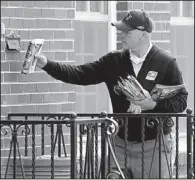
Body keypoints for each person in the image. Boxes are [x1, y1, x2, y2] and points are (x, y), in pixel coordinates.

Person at [34, 9, 188, 178]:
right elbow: (79, 73)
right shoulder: (113, 61)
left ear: (143, 34)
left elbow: (181, 101)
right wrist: (46, 64)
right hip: (119, 144)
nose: (121, 35)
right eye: (120, 31)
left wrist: (152, 104)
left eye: (127, 32)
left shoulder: (166, 62)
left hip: (155, 146)